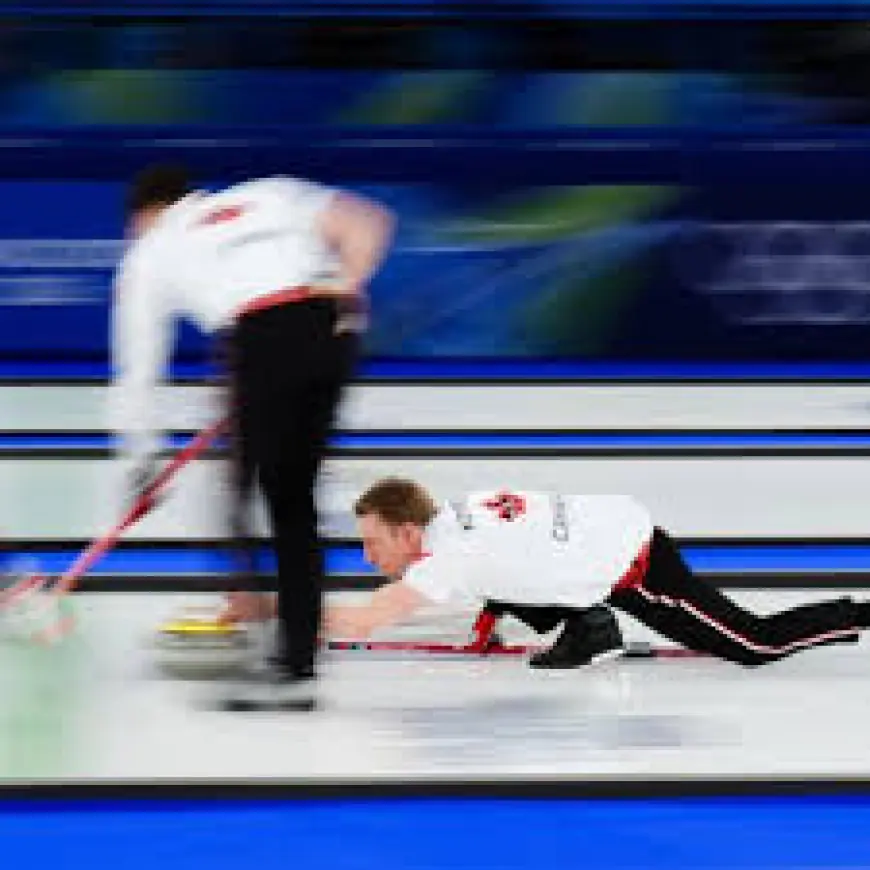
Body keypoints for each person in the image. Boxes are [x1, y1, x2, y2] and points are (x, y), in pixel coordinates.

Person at [110, 164, 394, 711]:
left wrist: (141, 459)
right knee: (292, 499)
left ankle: (266, 646)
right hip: (329, 325)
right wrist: (349, 284)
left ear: (144, 216)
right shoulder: (272, 193)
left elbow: (138, 364)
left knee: (237, 497)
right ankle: (296, 657)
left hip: (259, 337)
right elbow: (367, 221)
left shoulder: (150, 248)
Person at [318, 477, 870, 668]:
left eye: (372, 542)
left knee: (755, 645)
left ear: (407, 533)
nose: (367, 557)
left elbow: (369, 619)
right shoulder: (460, 515)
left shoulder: (448, 558)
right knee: (514, 579)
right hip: (611, 537)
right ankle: (589, 625)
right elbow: (512, 566)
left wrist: (284, 618)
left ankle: (860, 614)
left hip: (640, 569)